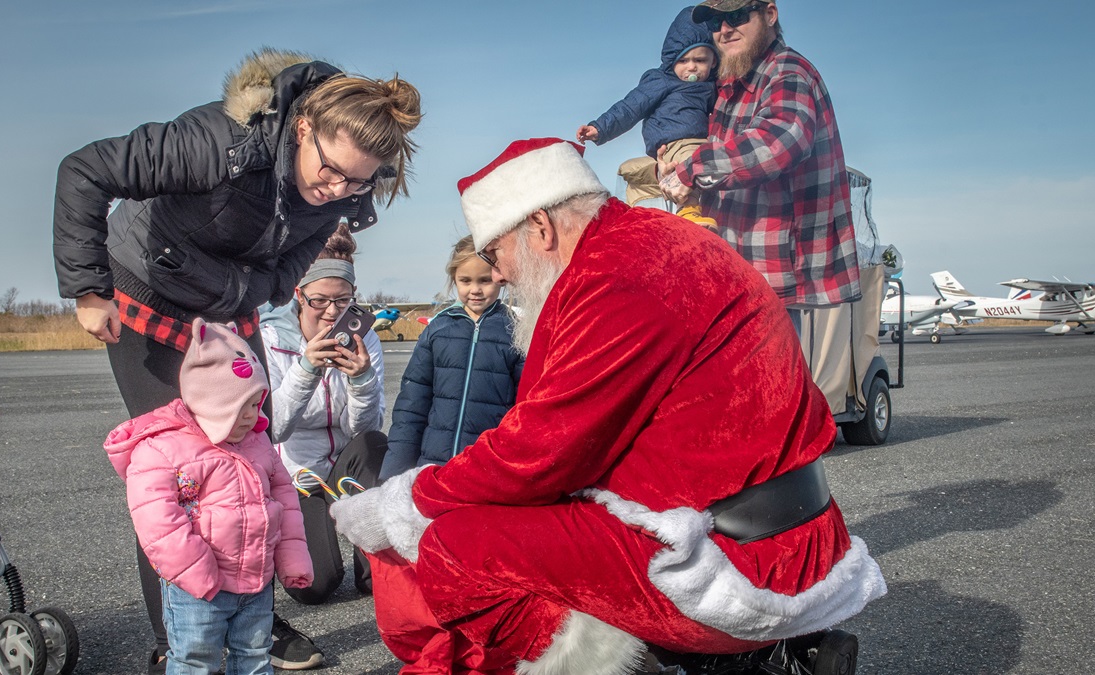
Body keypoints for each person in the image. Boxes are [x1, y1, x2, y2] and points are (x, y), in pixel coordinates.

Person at [329, 138, 885, 675]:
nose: (498, 275)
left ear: (540, 228)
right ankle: (733, 659)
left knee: (457, 549)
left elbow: (539, 455)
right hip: (787, 528)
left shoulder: (615, 276)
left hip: (737, 563)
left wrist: (402, 502)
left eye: (496, 254)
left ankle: (631, 664)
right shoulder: (657, 243)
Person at [53, 47, 421, 672]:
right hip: (146, 292)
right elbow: (84, 170)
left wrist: (264, 290)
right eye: (333, 171)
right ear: (304, 128)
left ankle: (251, 614)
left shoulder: (348, 188)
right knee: (183, 468)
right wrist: (88, 288)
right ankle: (178, 636)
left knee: (250, 458)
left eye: (358, 181)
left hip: (225, 304)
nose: (339, 190)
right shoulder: (217, 142)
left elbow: (293, 257)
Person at [104, 319, 314, 675]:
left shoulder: (256, 442)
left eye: (257, 402)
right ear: (212, 402)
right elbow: (156, 521)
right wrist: (195, 570)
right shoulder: (164, 448)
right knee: (194, 660)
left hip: (257, 582)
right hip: (198, 588)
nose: (255, 416)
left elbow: (284, 498)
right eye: (243, 406)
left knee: (254, 657)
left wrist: (292, 558)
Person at [658, 0, 861, 333]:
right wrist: (673, 165)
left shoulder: (787, 71)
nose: (724, 29)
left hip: (771, 274)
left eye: (737, 16)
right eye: (716, 21)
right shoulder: (730, 87)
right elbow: (716, 158)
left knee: (772, 383)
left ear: (769, 14)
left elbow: (780, 141)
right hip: (735, 272)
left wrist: (691, 169)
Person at [260, 231, 387, 606]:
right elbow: (274, 428)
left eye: (343, 300)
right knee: (314, 586)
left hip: (347, 465)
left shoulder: (366, 340)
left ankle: (375, 564)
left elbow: (364, 432)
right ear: (299, 295)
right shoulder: (270, 339)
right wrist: (307, 368)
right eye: (320, 300)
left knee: (376, 445)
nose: (332, 312)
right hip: (298, 474)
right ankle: (320, 533)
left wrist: (361, 380)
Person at [380, 234, 524, 480]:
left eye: (485, 280)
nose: (475, 290)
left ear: (500, 278)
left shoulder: (516, 333)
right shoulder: (438, 330)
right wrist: (393, 473)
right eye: (465, 280)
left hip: (487, 469)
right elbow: (411, 406)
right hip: (434, 468)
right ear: (454, 279)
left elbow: (523, 410)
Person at [576, 6, 718, 229]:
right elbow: (631, 107)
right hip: (673, 143)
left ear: (713, 61)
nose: (692, 67)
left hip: (698, 143)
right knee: (677, 164)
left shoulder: (712, 86)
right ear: (672, 61)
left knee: (702, 160)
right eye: (684, 61)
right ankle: (668, 215)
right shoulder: (661, 81)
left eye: (700, 60)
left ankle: (695, 211)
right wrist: (600, 128)